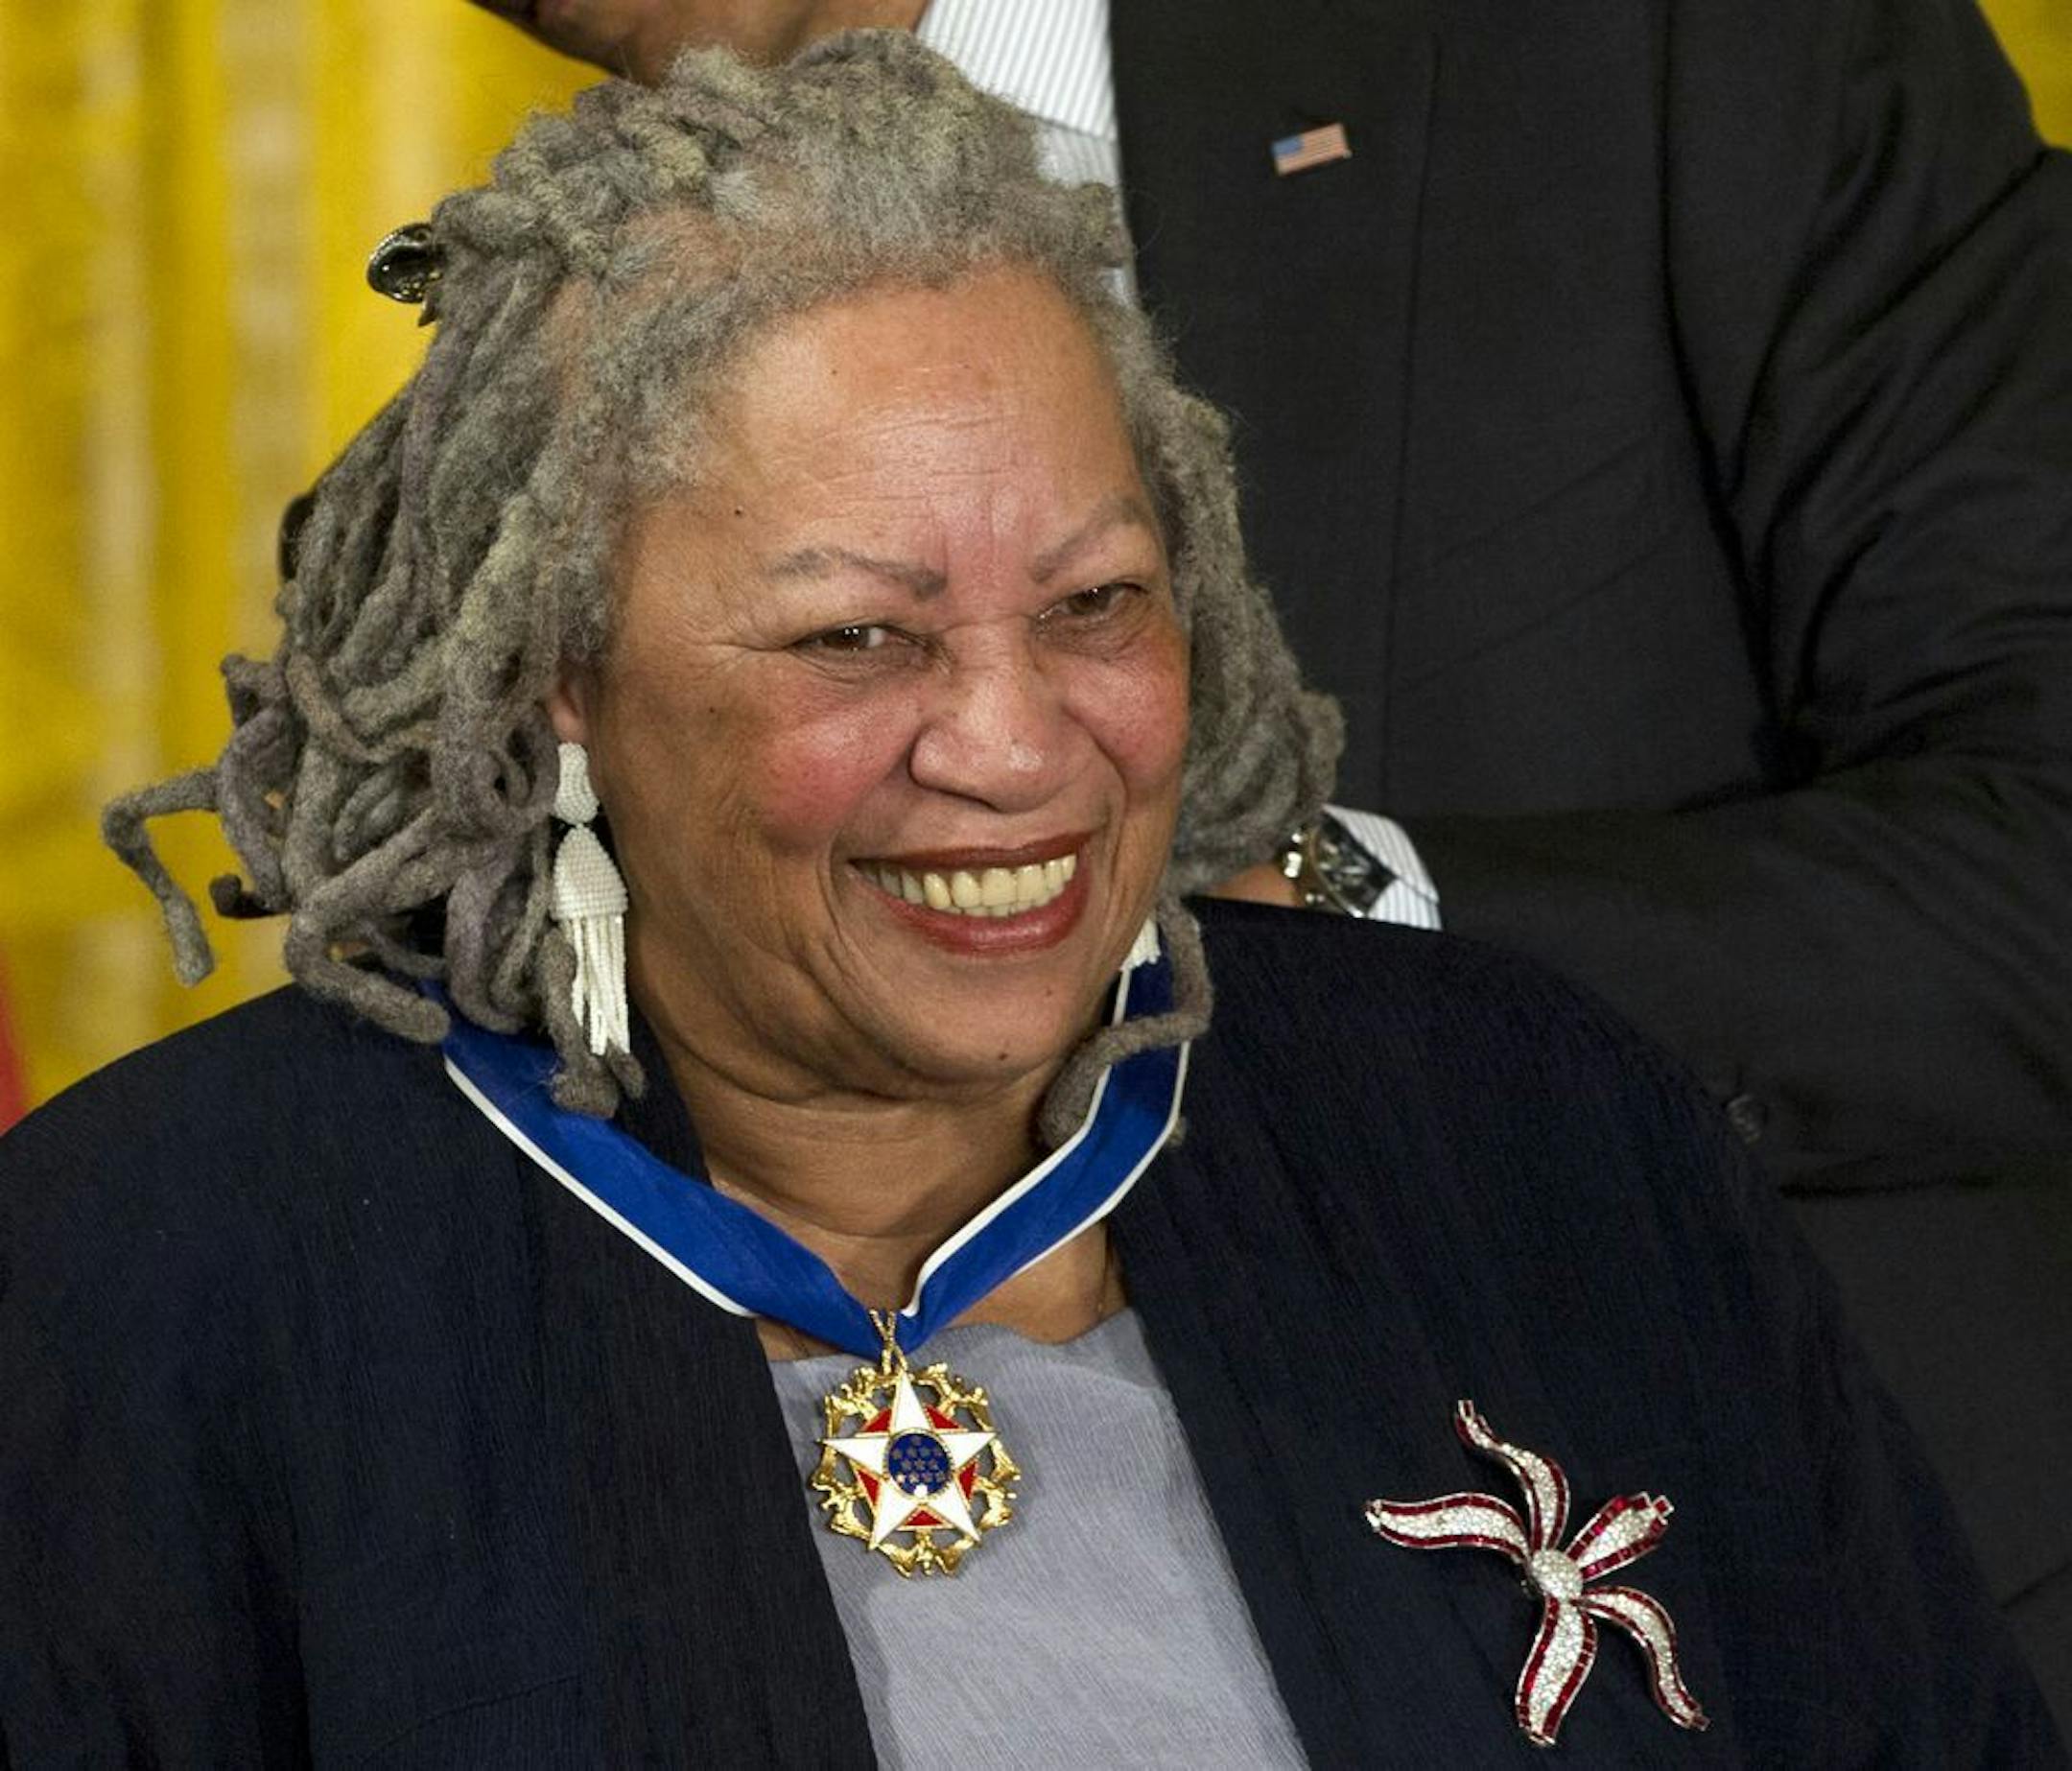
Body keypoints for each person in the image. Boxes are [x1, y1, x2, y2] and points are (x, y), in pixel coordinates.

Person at [2, 37, 2060, 1764]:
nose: (1015, 742)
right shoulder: (146, 1279)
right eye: (854, 641)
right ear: (562, 670)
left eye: (1097, 604)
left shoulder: (1539, 1123)